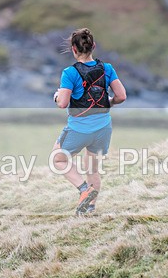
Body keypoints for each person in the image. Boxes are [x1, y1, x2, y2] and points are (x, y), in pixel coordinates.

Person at [52, 28, 127, 215]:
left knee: (58, 160)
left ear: (73, 49)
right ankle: (90, 209)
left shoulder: (69, 73)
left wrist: (56, 96)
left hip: (80, 128)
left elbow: (62, 103)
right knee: (92, 167)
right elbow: (121, 96)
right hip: (103, 128)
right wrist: (109, 102)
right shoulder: (107, 68)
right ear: (93, 46)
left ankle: (85, 191)